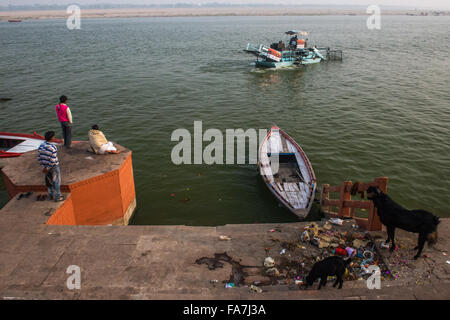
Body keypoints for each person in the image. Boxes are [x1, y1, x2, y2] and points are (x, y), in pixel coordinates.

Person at [37, 131, 64, 202]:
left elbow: (39, 158)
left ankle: (51, 194)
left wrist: (44, 167)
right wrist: (48, 167)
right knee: (56, 181)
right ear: (52, 138)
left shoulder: (41, 146)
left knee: (49, 180)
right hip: (53, 167)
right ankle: (58, 196)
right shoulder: (53, 147)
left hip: (45, 166)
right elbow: (53, 160)